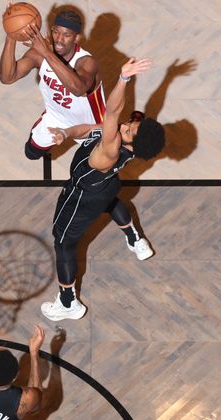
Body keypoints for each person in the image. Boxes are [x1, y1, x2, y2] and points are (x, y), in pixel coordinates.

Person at [40, 58, 166, 321]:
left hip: (81, 196)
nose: (125, 125)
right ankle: (134, 239)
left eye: (129, 130)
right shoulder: (122, 143)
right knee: (111, 200)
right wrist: (65, 134)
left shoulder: (110, 149)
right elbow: (89, 129)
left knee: (63, 244)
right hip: (106, 186)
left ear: (129, 143)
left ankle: (68, 303)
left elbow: (111, 113)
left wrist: (123, 78)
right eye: (132, 122)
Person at [0, 7, 105, 160]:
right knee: (31, 153)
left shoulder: (87, 62)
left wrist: (47, 53)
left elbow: (78, 89)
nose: (59, 39)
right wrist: (11, 34)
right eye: (56, 32)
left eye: (67, 35)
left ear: (77, 38)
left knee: (96, 169)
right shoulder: (38, 54)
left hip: (90, 125)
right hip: (56, 116)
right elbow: (7, 77)